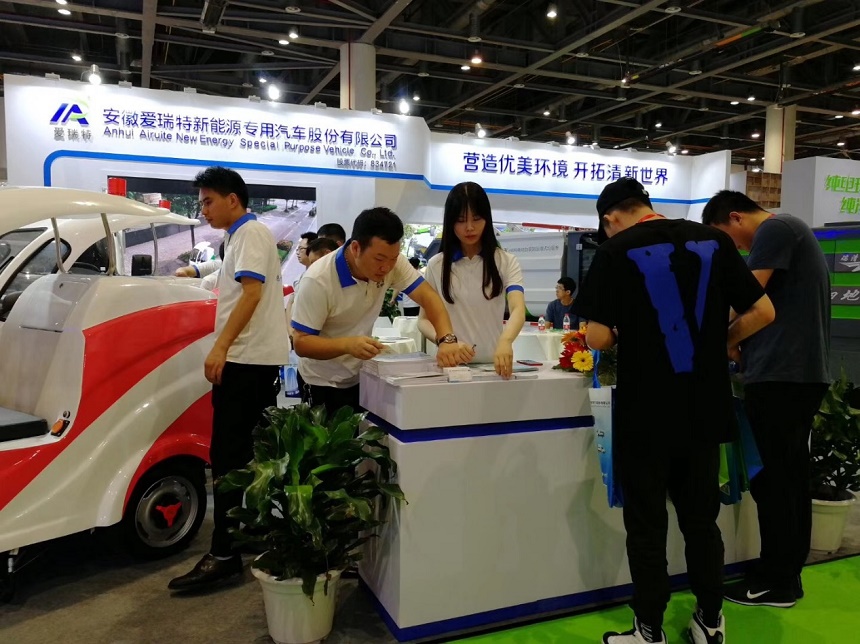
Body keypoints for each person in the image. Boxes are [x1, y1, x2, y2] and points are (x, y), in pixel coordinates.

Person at [574, 178, 775, 644]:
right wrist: (719, 344)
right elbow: (764, 311)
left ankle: (649, 629)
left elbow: (597, 337)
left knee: (647, 525)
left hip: (646, 411)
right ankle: (710, 620)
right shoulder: (714, 241)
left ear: (611, 219)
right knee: (702, 521)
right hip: (704, 406)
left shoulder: (614, 251)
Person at [702, 190, 831, 608]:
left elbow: (744, 298)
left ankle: (776, 580)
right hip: (793, 375)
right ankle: (785, 574)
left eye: (726, 238)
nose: (734, 249)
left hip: (781, 376)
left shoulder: (776, 230)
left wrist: (714, 337)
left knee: (774, 481)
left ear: (735, 218)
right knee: (789, 479)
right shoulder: (791, 231)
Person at [168, 167, 290, 593]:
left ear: (232, 200)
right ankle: (243, 535)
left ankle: (223, 555)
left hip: (246, 361)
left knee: (227, 457)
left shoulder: (251, 234)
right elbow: (237, 285)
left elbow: (252, 294)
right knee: (242, 456)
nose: (203, 210)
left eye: (208, 201)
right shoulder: (239, 236)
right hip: (251, 361)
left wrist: (220, 347)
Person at [291, 207, 473, 416]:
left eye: (393, 258)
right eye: (379, 259)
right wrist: (347, 345)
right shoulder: (318, 280)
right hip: (321, 382)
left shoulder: (392, 262)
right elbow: (301, 343)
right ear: (356, 248)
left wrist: (447, 340)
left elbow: (429, 298)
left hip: (363, 376)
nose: (386, 268)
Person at [418, 182, 526, 378]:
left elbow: (518, 308)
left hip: (494, 368)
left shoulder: (506, 261)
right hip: (451, 368)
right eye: (460, 220)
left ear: (487, 219)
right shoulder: (436, 264)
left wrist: (506, 341)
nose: (469, 227)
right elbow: (424, 320)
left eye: (476, 219)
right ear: (450, 222)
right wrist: (446, 341)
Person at [286, 237, 339, 343]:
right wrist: (291, 332)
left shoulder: (331, 285)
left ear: (327, 254)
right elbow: (291, 302)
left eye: (314, 263)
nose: (313, 268)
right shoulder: (307, 278)